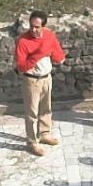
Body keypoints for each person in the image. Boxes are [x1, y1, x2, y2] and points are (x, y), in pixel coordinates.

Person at [12, 10, 63, 152]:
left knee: (46, 109)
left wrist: (57, 56)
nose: (33, 30)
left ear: (44, 27)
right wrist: (39, 54)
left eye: (37, 27)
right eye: (31, 26)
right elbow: (21, 67)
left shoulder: (49, 36)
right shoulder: (23, 41)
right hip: (31, 80)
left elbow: (57, 54)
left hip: (46, 77)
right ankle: (32, 142)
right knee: (32, 113)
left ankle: (44, 133)